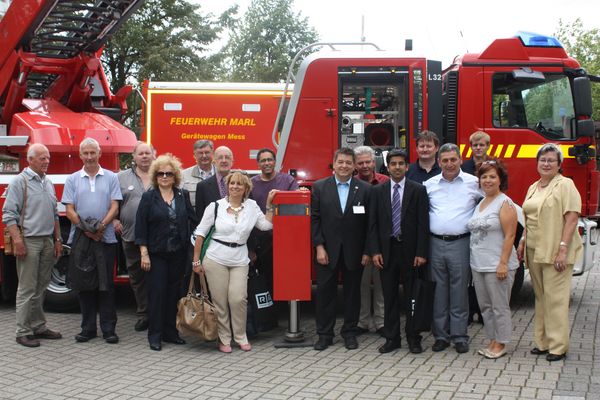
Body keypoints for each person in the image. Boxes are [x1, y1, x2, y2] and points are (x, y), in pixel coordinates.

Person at [192, 171, 276, 353]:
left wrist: (269, 205)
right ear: (227, 186)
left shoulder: (252, 206)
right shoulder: (215, 206)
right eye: (232, 183)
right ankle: (224, 339)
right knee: (220, 301)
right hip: (215, 258)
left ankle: (241, 336)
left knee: (238, 299)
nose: (235, 187)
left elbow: (266, 226)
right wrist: (196, 261)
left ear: (246, 188)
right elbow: (200, 233)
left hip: (239, 258)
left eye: (239, 184)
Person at [517, 143, 582, 362]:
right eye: (542, 160)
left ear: (559, 164)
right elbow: (529, 218)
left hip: (555, 249)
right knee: (541, 297)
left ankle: (558, 346)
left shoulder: (566, 185)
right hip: (535, 249)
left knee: (556, 299)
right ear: (537, 163)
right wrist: (523, 240)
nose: (546, 164)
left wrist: (563, 249)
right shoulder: (534, 186)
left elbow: (572, 217)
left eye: (551, 160)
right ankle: (542, 342)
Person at [2, 144, 63, 347]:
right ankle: (22, 332)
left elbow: (54, 214)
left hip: (46, 240)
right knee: (27, 288)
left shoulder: (48, 182)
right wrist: (18, 241)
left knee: (42, 286)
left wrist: (57, 239)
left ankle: (38, 326)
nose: (46, 161)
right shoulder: (20, 182)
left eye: (48, 158)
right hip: (29, 240)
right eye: (42, 158)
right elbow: (8, 214)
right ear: (30, 160)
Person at [369, 149, 429, 354]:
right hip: (387, 251)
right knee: (389, 296)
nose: (396, 167)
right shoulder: (378, 191)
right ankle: (392, 338)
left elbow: (423, 224)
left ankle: (414, 337)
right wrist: (375, 250)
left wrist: (421, 252)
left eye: (401, 163)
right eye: (393, 164)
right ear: (387, 166)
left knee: (412, 296)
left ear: (407, 166)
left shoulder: (418, 190)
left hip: (411, 251)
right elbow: (373, 225)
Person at [62, 138, 121, 344]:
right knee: (84, 285)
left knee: (107, 285)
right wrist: (87, 230)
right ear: (80, 155)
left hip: (106, 240)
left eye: (92, 153)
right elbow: (69, 209)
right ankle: (87, 329)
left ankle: (108, 330)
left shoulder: (111, 177)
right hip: (81, 239)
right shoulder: (72, 179)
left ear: (99, 153)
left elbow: (115, 206)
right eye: (85, 153)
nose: (89, 157)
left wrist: (102, 227)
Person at [311, 147, 372, 351]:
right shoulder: (319, 187)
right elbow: (315, 220)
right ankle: (324, 334)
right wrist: (319, 247)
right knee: (325, 294)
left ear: (354, 166)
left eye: (348, 162)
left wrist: (366, 251)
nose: (344, 166)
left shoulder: (364, 189)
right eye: (341, 162)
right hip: (327, 252)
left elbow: (369, 224)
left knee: (352, 295)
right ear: (334, 164)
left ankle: (349, 333)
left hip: (355, 252)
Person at [424, 143, 481, 354]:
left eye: (453, 160)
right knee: (439, 291)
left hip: (461, 243)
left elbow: (491, 202)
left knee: (459, 290)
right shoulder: (429, 184)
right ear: (439, 162)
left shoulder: (474, 183)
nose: (449, 164)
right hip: (435, 243)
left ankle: (459, 336)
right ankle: (441, 336)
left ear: (460, 160)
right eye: (445, 160)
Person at [135, 154, 196, 351]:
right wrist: (144, 252)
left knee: (173, 294)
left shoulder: (182, 195)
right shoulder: (148, 197)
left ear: (175, 176)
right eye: (160, 173)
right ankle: (155, 335)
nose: (164, 176)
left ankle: (171, 332)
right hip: (156, 254)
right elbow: (141, 227)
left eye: (168, 173)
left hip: (178, 253)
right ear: (155, 175)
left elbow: (192, 220)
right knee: (158, 294)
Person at [467, 159, 518, 359]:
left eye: (492, 176)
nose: (487, 180)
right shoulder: (481, 202)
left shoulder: (505, 203)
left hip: (497, 264)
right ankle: (492, 338)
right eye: (484, 176)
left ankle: (502, 342)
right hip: (478, 264)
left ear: (500, 180)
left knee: (499, 306)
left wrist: (503, 263)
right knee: (486, 306)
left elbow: (510, 235)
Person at [248, 148, 298, 332]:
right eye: (263, 160)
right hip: (262, 242)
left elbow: (296, 203)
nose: (267, 163)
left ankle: (280, 316)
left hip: (285, 240)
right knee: (264, 281)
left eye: (270, 160)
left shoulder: (287, 181)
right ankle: (266, 319)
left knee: (283, 279)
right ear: (258, 164)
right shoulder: (251, 184)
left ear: (275, 161)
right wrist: (251, 248)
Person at [114, 141, 154, 332]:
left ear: (154, 155)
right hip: (130, 236)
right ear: (134, 157)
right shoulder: (121, 177)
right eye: (141, 153)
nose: (144, 156)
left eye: (148, 153)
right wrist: (114, 219)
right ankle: (143, 314)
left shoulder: (161, 175)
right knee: (137, 278)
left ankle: (158, 314)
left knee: (157, 277)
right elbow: (112, 201)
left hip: (157, 237)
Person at [354, 146, 388, 336]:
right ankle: (363, 322)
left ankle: (382, 322)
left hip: (382, 243)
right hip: (360, 244)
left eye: (368, 162)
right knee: (363, 284)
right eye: (361, 163)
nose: (365, 166)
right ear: (355, 165)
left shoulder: (385, 182)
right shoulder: (352, 184)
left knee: (382, 284)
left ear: (374, 163)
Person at [195, 146, 234, 221]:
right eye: (220, 158)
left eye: (227, 157)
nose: (224, 160)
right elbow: (200, 217)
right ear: (214, 161)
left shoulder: (243, 183)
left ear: (232, 161)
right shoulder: (202, 186)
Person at [182, 140, 215, 211]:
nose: (204, 156)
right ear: (194, 155)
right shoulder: (183, 175)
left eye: (207, 152)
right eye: (200, 153)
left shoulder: (220, 174)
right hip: (194, 219)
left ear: (213, 153)